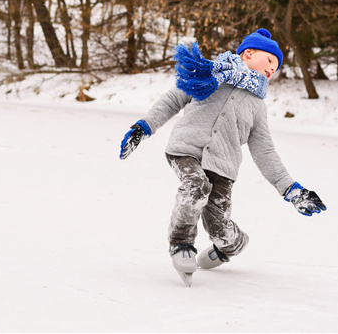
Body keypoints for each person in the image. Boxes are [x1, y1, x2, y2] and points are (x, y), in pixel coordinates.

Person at [119, 28, 326, 285]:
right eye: (271, 60)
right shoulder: (211, 73)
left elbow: (264, 151)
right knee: (196, 187)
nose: (273, 69)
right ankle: (181, 244)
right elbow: (173, 100)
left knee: (220, 227)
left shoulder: (257, 105)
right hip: (186, 149)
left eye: (277, 67)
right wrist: (143, 127)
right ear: (248, 53)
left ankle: (231, 245)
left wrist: (291, 190)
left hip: (223, 167)